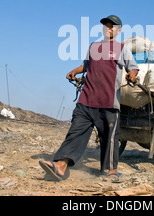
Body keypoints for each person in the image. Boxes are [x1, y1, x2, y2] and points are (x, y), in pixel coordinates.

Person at [39, 15, 139, 182]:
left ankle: (111, 171)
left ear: (119, 31)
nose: (108, 28)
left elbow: (133, 68)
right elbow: (86, 65)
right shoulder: (93, 47)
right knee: (75, 132)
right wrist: (74, 71)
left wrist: (132, 74)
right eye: (106, 26)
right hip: (86, 99)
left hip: (108, 102)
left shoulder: (122, 49)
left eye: (112, 26)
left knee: (109, 138)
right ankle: (61, 166)